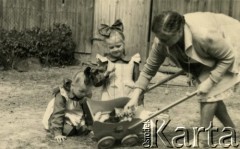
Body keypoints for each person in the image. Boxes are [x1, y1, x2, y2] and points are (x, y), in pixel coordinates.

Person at [124, 11, 240, 147]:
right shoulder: (161, 41)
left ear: (180, 30)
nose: (162, 43)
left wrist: (210, 81)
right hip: (212, 51)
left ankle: (202, 141)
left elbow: (228, 57)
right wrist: (135, 96)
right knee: (212, 94)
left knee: (209, 93)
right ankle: (233, 131)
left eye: (166, 40)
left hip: (231, 44)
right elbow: (149, 68)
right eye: (159, 38)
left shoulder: (204, 35)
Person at [92, 19, 142, 102]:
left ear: (124, 44)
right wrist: (106, 74)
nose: (115, 49)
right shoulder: (105, 62)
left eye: (118, 46)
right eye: (111, 47)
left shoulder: (133, 61)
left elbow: (138, 83)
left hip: (128, 97)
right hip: (109, 98)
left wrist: (139, 100)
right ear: (106, 47)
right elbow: (96, 83)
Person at [42, 67, 93, 143]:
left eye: (87, 91)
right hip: (62, 115)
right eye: (81, 91)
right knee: (68, 131)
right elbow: (58, 113)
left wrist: (90, 125)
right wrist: (57, 133)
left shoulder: (83, 96)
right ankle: (59, 129)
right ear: (73, 85)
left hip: (75, 114)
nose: (84, 94)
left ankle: (76, 127)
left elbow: (87, 110)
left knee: (84, 130)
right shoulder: (62, 95)